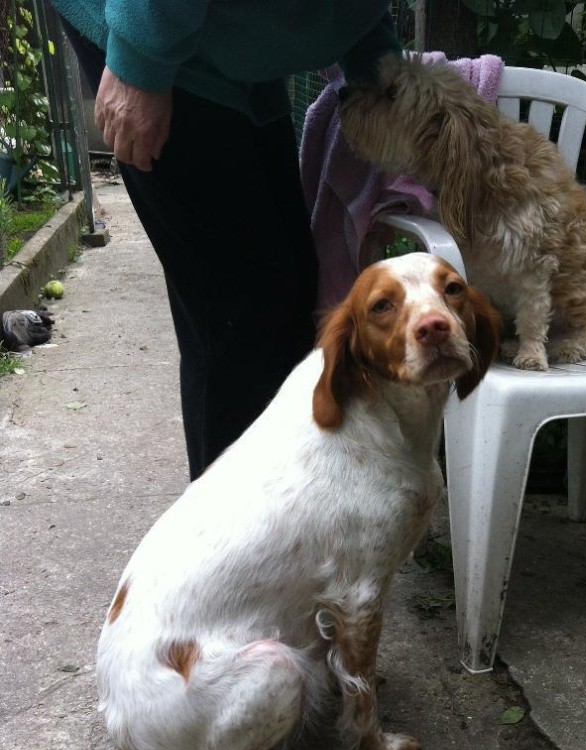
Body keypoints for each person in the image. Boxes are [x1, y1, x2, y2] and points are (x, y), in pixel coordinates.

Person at [51, 1, 402, 479]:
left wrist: (380, 66)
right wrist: (142, 60)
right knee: (240, 310)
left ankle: (283, 509)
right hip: (151, 22)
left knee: (294, 291)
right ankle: (231, 542)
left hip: (233, 45)